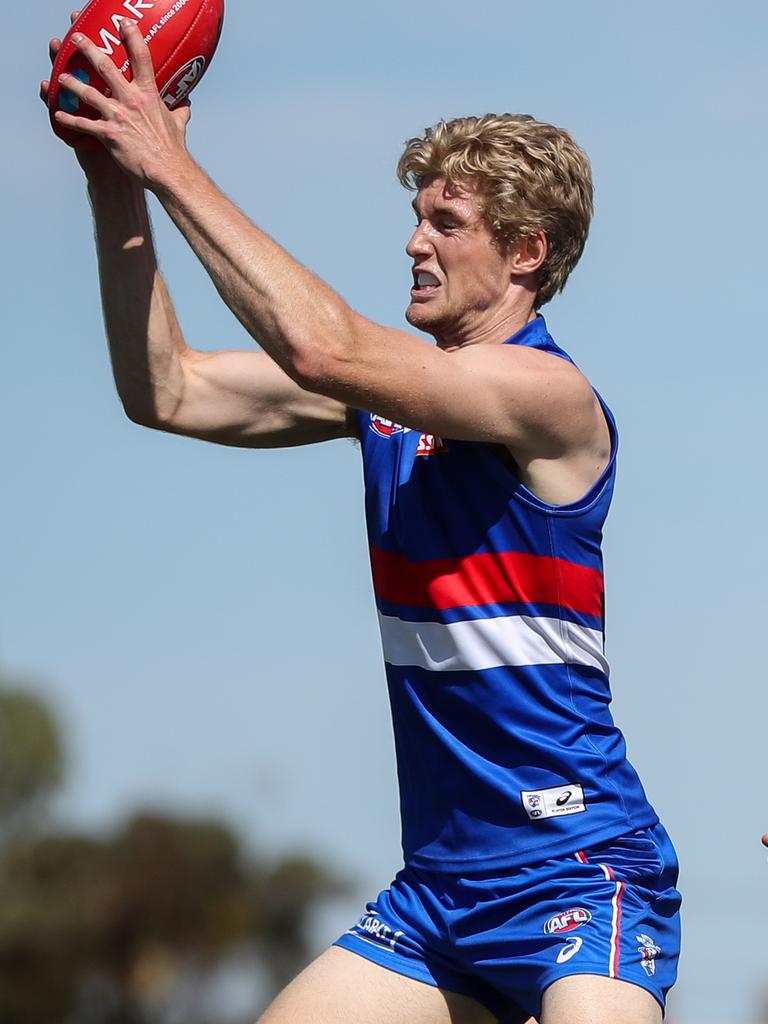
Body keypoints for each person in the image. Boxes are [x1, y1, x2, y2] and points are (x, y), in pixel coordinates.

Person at [42, 17, 682, 1024]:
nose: (414, 241)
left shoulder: (550, 398)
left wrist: (170, 162)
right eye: (417, 215)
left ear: (526, 252)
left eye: (447, 223)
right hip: (441, 893)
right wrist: (112, 173)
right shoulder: (389, 404)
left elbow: (323, 345)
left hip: (579, 871)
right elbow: (165, 389)